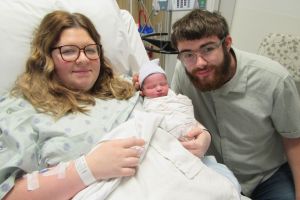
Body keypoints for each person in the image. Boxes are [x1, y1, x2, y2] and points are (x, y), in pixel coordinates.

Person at [0, 10, 232, 200]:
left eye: (91, 50)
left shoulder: (125, 86)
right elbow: (8, 193)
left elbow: (167, 108)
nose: (83, 59)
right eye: (68, 51)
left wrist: (201, 134)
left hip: (184, 179)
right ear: (45, 57)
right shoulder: (20, 110)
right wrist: (86, 169)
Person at [169, 9, 300, 199]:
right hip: (213, 170)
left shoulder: (275, 80)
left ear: (227, 43)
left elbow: (294, 140)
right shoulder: (184, 72)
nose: (199, 63)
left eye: (208, 49)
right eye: (188, 54)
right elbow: (175, 113)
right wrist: (147, 85)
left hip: (266, 177)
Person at [139, 59, 241, 192]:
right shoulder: (145, 104)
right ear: (142, 91)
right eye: (152, 87)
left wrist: (203, 133)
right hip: (167, 150)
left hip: (191, 141)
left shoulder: (175, 97)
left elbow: (184, 110)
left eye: (163, 84)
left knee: (226, 181)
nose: (159, 89)